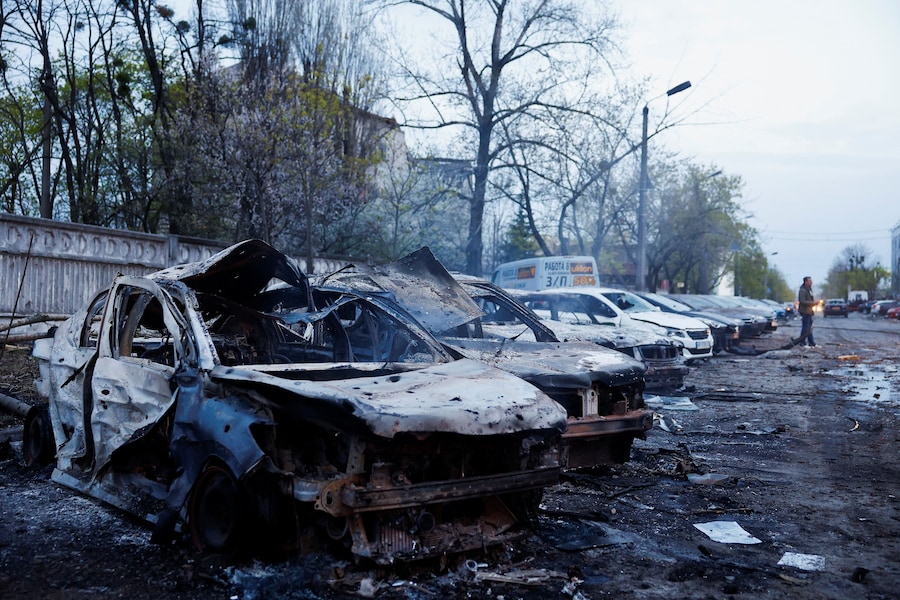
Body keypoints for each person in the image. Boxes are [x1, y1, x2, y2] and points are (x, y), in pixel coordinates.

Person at [797, 276, 817, 347]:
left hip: (809, 311)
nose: (811, 282)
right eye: (809, 281)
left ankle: (811, 343)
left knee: (809, 328)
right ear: (806, 282)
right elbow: (802, 301)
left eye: (811, 281)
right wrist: (813, 303)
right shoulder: (802, 290)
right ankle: (802, 343)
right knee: (805, 327)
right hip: (805, 311)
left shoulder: (809, 290)